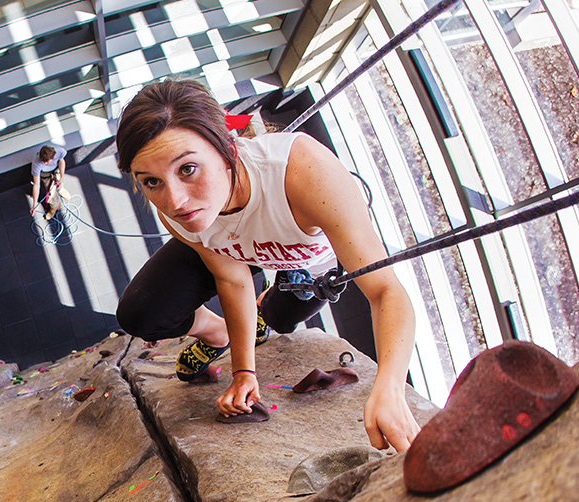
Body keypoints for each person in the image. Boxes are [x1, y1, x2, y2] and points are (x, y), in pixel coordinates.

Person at [114, 79, 420, 452]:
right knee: (141, 313)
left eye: (189, 169)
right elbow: (232, 279)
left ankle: (270, 305)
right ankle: (217, 332)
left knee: (279, 316)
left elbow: (386, 291)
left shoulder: (304, 172)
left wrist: (390, 388)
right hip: (241, 247)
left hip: (305, 258)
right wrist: (244, 372)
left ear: (228, 148)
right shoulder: (179, 209)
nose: (175, 200)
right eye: (151, 181)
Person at [28, 143, 67, 218]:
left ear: (53, 157)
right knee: (51, 193)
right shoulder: (36, 163)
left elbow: (61, 161)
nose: (45, 163)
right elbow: (36, 184)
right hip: (45, 173)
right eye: (43, 161)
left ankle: (61, 190)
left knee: (59, 182)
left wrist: (62, 177)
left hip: (56, 168)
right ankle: (54, 207)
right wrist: (34, 204)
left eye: (47, 161)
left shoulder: (59, 151)